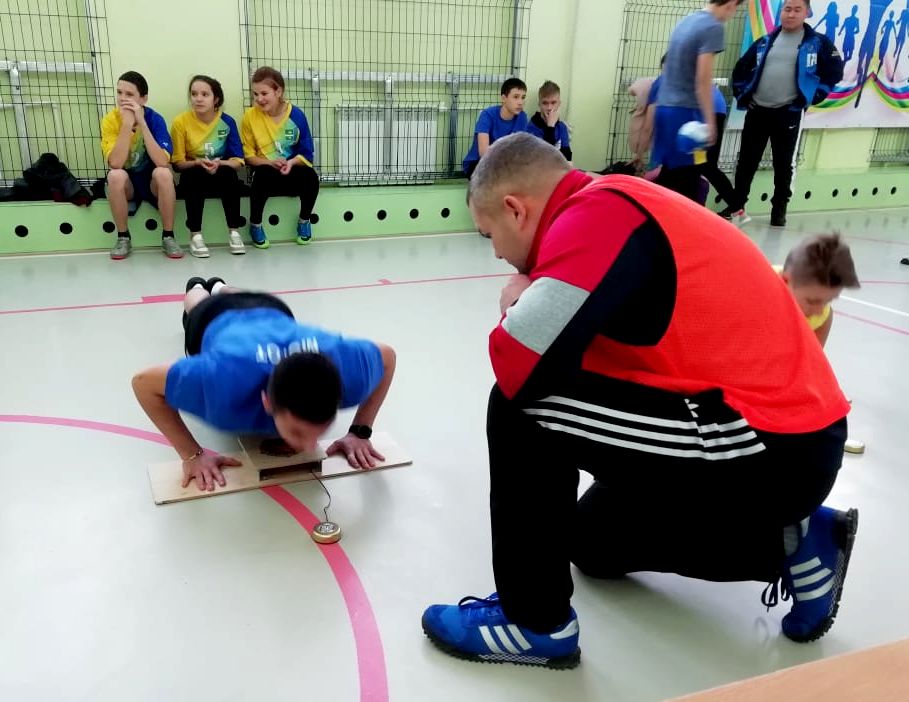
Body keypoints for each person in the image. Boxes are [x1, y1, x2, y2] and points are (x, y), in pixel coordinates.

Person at [421, 133, 856, 669]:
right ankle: (793, 544)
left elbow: (520, 365)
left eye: (490, 235)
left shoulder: (597, 217)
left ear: (516, 209)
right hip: (768, 433)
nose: (496, 253)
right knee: (591, 542)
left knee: (520, 411)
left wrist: (519, 300)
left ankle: (535, 623)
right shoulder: (609, 204)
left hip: (773, 446)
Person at [131, 276, 396, 491]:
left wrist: (360, 432)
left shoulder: (348, 371)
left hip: (271, 309)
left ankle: (220, 286)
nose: (308, 447)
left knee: (243, 297)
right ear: (266, 402)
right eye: (298, 433)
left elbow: (387, 357)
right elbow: (143, 384)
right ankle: (200, 286)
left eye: (320, 430)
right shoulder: (222, 382)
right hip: (214, 318)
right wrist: (192, 455)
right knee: (198, 303)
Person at [724, 0, 844, 227]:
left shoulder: (818, 43)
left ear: (807, 13)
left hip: (788, 113)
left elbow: (835, 72)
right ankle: (737, 206)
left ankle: (779, 209)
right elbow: (741, 68)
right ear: (781, 12)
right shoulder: (765, 41)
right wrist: (743, 94)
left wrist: (813, 96)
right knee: (746, 161)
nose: (791, 14)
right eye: (787, 9)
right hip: (757, 111)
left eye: (797, 10)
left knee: (783, 164)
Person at [651, 0, 744, 202]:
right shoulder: (713, 27)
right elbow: (703, 79)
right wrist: (710, 122)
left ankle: (655, 218)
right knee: (687, 183)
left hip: (665, 109)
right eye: (736, 8)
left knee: (670, 176)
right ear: (731, 3)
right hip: (686, 114)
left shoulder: (687, 20)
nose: (733, 14)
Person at [101, 71, 180, 260]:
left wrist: (142, 124)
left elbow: (162, 161)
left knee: (164, 173)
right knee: (115, 176)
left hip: (151, 182)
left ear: (143, 99)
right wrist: (126, 126)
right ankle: (123, 237)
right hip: (128, 184)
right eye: (119, 92)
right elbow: (116, 163)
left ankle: (168, 236)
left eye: (129, 94)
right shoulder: (110, 120)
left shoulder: (155, 119)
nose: (122, 99)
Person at [240, 66, 319, 249]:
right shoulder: (249, 117)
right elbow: (248, 156)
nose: (259, 99)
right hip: (266, 171)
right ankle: (255, 225)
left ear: (278, 92)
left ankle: (304, 220)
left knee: (311, 178)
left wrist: (291, 163)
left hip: (292, 169)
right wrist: (269, 162)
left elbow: (307, 152)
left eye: (264, 93)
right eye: (255, 94)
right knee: (262, 176)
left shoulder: (297, 115)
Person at [648, 55, 736, 211]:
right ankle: (734, 207)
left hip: (709, 113)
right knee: (699, 165)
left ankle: (735, 206)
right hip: (709, 112)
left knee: (705, 166)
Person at [171, 75, 246, 257]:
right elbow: (178, 164)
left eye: (205, 94)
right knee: (193, 176)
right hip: (194, 172)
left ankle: (234, 233)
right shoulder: (180, 122)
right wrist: (197, 162)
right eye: (194, 94)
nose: (198, 99)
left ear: (216, 99)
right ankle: (195, 236)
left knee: (229, 175)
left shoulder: (227, 122)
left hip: (219, 171)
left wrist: (220, 163)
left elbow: (238, 161)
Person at [462, 78, 528, 178]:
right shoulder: (487, 115)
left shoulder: (522, 117)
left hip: (506, 164)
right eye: (516, 97)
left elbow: (520, 150)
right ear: (504, 98)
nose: (520, 102)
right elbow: (484, 152)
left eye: (523, 97)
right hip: (479, 163)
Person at [525, 81, 572, 162]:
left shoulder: (562, 127)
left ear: (559, 104)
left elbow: (567, 158)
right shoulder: (531, 128)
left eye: (553, 103)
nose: (549, 108)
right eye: (545, 103)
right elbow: (544, 159)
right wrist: (550, 127)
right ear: (539, 104)